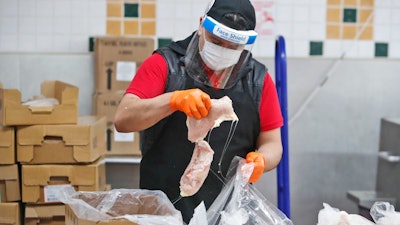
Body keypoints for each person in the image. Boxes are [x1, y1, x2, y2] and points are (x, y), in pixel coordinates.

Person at [114, 0, 283, 223]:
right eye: (216, 41)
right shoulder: (165, 65)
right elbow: (123, 120)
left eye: (233, 47)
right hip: (162, 212)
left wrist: (262, 160)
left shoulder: (258, 81)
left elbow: (273, 143)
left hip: (229, 213)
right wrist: (172, 100)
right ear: (201, 25)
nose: (223, 51)